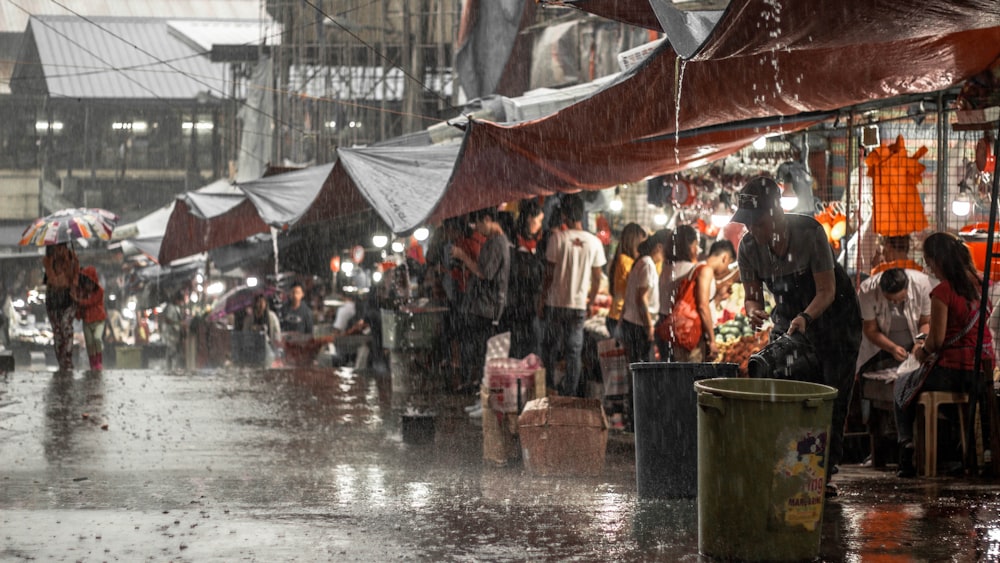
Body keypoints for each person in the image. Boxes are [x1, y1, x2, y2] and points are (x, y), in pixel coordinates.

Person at [732, 176, 861, 494]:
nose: (753, 230)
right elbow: (752, 297)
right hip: (790, 321)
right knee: (783, 388)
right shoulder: (748, 247)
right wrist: (753, 312)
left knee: (829, 397)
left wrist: (806, 317)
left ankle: (821, 476)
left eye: (758, 221)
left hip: (835, 321)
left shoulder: (810, 232)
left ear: (776, 210)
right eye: (747, 224)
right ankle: (788, 468)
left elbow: (827, 291)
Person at [894, 232, 993, 478]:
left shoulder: (943, 292)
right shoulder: (986, 286)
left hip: (952, 372)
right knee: (956, 406)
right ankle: (969, 450)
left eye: (929, 262)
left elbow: (936, 341)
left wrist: (920, 351)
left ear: (940, 261)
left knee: (902, 385)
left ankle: (906, 448)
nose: (930, 268)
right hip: (983, 372)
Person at [539, 193, 607, 397]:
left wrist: (541, 300)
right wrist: (591, 299)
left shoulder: (557, 239)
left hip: (556, 303)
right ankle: (569, 394)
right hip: (578, 306)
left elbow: (549, 276)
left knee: (550, 349)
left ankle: (549, 388)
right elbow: (597, 278)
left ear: (565, 216)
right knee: (574, 352)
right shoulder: (594, 242)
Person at [451, 206, 511, 396]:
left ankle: (483, 397)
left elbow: (485, 273)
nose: (476, 229)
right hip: (482, 305)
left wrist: (463, 257)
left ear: (487, 219)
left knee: (482, 353)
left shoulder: (497, 243)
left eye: (477, 224)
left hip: (487, 307)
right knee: (479, 351)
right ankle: (480, 395)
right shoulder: (493, 241)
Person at [856, 267, 931, 376]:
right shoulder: (867, 290)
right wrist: (892, 348)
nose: (895, 303)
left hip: (913, 341)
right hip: (881, 347)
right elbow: (870, 329)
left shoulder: (923, 285)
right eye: (890, 300)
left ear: (907, 288)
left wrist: (919, 343)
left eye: (900, 299)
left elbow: (925, 322)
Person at [676, 240, 736, 363]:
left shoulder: (699, 268)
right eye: (728, 264)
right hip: (692, 333)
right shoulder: (706, 270)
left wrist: (718, 298)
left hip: (689, 331)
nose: (726, 269)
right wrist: (712, 340)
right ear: (725, 258)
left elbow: (703, 301)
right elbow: (703, 306)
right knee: (692, 375)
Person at [502, 199, 546, 359]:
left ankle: (531, 377)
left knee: (534, 344)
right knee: (518, 343)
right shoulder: (512, 240)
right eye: (538, 220)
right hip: (516, 302)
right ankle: (518, 378)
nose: (540, 225)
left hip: (533, 302)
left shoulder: (541, 242)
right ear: (529, 218)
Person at [620, 230, 669, 365]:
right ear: (659, 247)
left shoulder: (642, 261)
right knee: (642, 366)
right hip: (639, 326)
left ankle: (635, 387)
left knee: (635, 366)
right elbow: (641, 298)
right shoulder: (647, 264)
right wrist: (649, 326)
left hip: (632, 323)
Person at [655, 225, 699, 361]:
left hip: (663, 323)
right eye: (696, 245)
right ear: (691, 246)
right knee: (682, 369)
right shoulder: (691, 269)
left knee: (667, 368)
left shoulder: (666, 267)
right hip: (680, 326)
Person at [606, 222, 648, 340]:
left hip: (620, 316)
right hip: (619, 316)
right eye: (643, 241)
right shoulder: (625, 261)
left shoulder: (623, 259)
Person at [43, 242, 79, 373]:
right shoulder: (48, 261)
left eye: (62, 248)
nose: (60, 251)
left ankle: (68, 360)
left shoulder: (72, 258)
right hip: (53, 301)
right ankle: (62, 362)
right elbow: (54, 280)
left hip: (68, 299)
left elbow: (75, 278)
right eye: (57, 248)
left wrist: (72, 265)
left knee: (66, 326)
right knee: (58, 332)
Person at [73, 266, 106, 374]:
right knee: (90, 343)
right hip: (87, 321)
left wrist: (78, 301)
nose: (88, 285)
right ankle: (93, 364)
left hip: (98, 320)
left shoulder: (99, 291)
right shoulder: (82, 292)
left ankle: (98, 362)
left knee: (97, 339)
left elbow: (90, 303)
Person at [242, 293, 282, 366]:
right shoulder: (249, 319)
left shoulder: (272, 317)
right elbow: (245, 335)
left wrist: (277, 349)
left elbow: (277, 334)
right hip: (254, 351)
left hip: (269, 350)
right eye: (258, 302)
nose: (260, 304)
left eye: (262, 302)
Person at [161, 291, 186, 370]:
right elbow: (167, 320)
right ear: (176, 299)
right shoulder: (171, 307)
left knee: (173, 350)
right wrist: (178, 323)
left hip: (175, 333)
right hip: (170, 333)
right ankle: (170, 367)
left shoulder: (176, 308)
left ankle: (172, 367)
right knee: (171, 351)